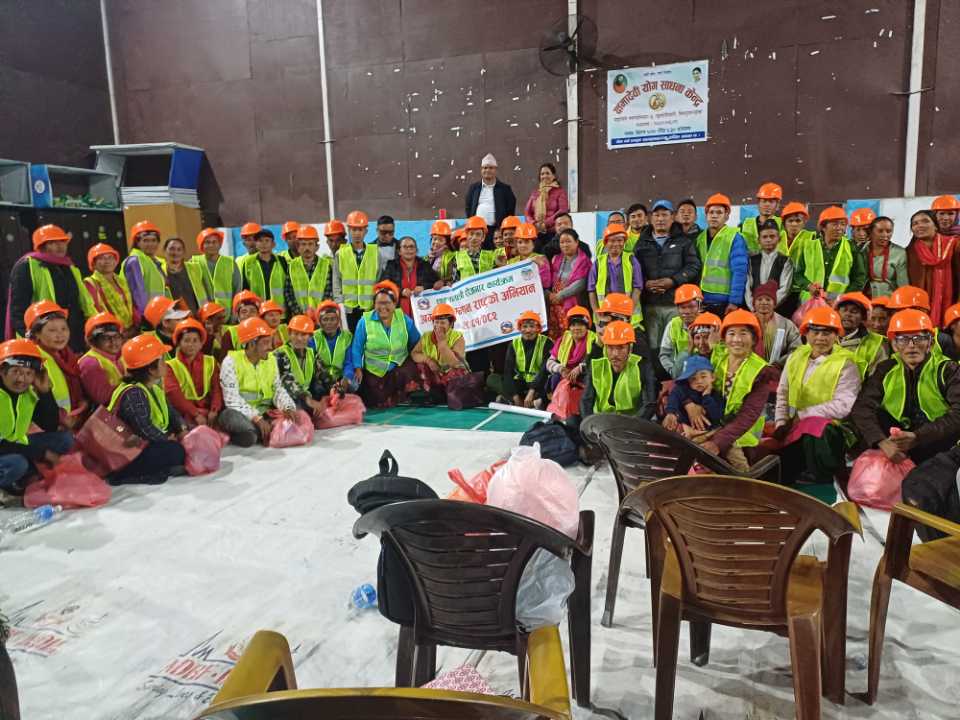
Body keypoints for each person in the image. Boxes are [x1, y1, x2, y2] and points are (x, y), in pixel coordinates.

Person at [851, 309, 960, 466]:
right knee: (871, 419)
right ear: (894, 345)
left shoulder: (948, 370)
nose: (911, 346)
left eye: (919, 338)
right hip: (898, 439)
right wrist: (882, 442)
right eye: (903, 339)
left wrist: (917, 436)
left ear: (931, 344)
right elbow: (862, 407)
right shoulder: (886, 368)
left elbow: (958, 414)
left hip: (936, 440)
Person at [774, 307, 861, 485]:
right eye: (815, 332)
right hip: (795, 426)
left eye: (827, 333)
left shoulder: (846, 363)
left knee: (817, 428)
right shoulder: (795, 357)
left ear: (836, 335)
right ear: (806, 333)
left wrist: (803, 416)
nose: (821, 338)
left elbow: (844, 406)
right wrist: (780, 423)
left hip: (833, 433)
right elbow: (783, 392)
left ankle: (824, 477)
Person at [696, 310, 779, 470]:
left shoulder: (760, 371)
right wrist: (690, 406)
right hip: (714, 425)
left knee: (736, 473)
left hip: (741, 437)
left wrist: (717, 442)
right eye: (731, 333)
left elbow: (748, 415)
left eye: (743, 334)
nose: (737, 339)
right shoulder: (718, 356)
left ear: (754, 339)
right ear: (724, 338)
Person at [0, 339, 75, 506]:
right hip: (5, 449)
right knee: (17, 464)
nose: (22, 379)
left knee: (64, 439)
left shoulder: (26, 394)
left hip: (14, 445)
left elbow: (49, 425)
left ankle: (24, 476)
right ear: (2, 372)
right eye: (16, 371)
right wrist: (43, 453)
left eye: (29, 373)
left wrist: (44, 392)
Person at [107, 334, 186, 484]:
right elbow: (144, 428)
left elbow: (170, 412)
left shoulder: (153, 387)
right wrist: (167, 440)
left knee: (179, 446)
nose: (166, 364)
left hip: (143, 444)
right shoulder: (134, 393)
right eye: (162, 360)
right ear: (151, 369)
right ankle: (128, 475)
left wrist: (182, 429)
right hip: (127, 453)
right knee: (176, 451)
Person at [7, 224, 96, 352]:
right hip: (43, 339)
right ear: (41, 246)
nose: (60, 246)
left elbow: (82, 302)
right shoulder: (27, 266)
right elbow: (18, 310)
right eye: (53, 243)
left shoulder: (70, 266)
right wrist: (30, 337)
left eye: (63, 242)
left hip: (73, 336)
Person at [635, 199, 703, 349]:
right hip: (650, 305)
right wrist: (645, 283)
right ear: (651, 218)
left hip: (675, 304)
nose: (660, 219)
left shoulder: (684, 241)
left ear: (672, 217)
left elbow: (693, 266)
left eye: (664, 215)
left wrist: (673, 281)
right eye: (657, 215)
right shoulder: (641, 243)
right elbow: (635, 270)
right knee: (652, 346)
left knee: (675, 345)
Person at [219, 317, 297, 446]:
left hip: (265, 412)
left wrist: (287, 407)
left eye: (270, 342)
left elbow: (277, 389)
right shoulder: (231, 361)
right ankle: (259, 431)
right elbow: (232, 400)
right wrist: (256, 418)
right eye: (265, 343)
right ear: (252, 344)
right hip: (241, 414)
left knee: (298, 414)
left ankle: (264, 430)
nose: (270, 347)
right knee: (240, 426)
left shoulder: (271, 359)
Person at [343, 281, 422, 408]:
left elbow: (417, 342)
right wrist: (358, 368)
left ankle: (407, 395)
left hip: (399, 368)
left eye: (387, 303)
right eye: (379, 303)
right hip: (375, 372)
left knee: (411, 372)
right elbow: (356, 348)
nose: (383, 307)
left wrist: (419, 358)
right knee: (378, 402)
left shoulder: (404, 319)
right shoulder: (364, 321)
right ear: (374, 304)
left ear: (394, 304)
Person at [578, 321, 657, 423]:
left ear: (630, 349)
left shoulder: (642, 366)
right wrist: (591, 425)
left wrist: (630, 426)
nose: (615, 354)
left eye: (621, 348)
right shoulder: (596, 366)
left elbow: (649, 404)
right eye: (610, 348)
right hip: (601, 423)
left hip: (631, 423)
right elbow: (586, 401)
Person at [23, 301, 87, 428]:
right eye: (52, 330)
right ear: (36, 334)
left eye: (64, 329)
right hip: (51, 427)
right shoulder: (33, 361)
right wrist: (62, 418)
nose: (60, 335)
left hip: (72, 420)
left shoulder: (67, 355)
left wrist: (82, 403)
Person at [795, 206, 867, 303]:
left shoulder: (851, 248)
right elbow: (798, 274)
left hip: (838, 305)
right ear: (823, 227)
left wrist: (842, 298)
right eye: (835, 224)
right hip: (810, 302)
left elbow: (859, 279)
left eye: (843, 224)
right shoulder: (809, 247)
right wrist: (809, 286)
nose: (839, 228)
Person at [695, 193, 749, 316]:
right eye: (711, 212)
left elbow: (740, 272)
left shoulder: (734, 237)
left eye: (719, 212)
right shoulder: (700, 238)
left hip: (725, 302)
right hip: (702, 300)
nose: (714, 216)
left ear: (727, 216)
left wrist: (734, 301)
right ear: (706, 216)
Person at [164, 317, 223, 429]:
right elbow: (174, 395)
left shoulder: (211, 361)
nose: (191, 344)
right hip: (183, 413)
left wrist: (214, 410)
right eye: (186, 340)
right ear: (179, 343)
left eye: (195, 340)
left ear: (201, 344)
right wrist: (195, 414)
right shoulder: (170, 366)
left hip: (208, 410)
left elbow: (217, 388)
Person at [905, 209, 958, 326]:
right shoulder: (909, 252)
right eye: (915, 223)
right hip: (919, 307)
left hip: (952, 306)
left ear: (936, 226)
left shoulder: (954, 245)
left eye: (925, 221)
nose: (920, 225)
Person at [333, 210, 384, 331]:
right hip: (348, 310)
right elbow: (336, 282)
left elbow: (379, 280)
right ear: (349, 230)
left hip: (369, 308)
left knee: (369, 339)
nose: (357, 233)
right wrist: (340, 305)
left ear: (366, 231)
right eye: (354, 229)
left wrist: (377, 303)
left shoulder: (375, 252)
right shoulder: (340, 254)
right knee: (349, 339)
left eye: (360, 229)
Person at [410, 303, 470, 403]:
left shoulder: (458, 337)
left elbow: (455, 363)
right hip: (436, 376)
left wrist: (442, 343)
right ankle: (432, 393)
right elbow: (414, 354)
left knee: (458, 371)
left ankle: (449, 395)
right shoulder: (426, 336)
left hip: (452, 377)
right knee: (420, 365)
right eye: (436, 322)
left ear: (451, 324)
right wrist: (429, 360)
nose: (438, 326)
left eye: (442, 323)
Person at [588, 224, 643, 326]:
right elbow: (591, 291)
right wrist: (598, 315)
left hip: (628, 318)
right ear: (605, 243)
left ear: (624, 242)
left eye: (620, 240)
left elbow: (638, 288)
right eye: (612, 241)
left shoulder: (632, 260)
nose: (616, 244)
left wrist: (629, 312)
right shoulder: (598, 263)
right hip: (605, 317)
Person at [497, 311, 551, 408]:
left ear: (538, 328)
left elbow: (544, 370)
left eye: (532, 326)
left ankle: (535, 401)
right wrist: (515, 396)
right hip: (521, 382)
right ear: (520, 328)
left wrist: (532, 391)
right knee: (494, 379)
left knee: (551, 382)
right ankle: (518, 400)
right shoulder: (514, 344)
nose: (528, 330)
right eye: (524, 326)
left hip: (540, 382)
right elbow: (508, 371)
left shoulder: (547, 342)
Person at [275, 314, 325, 418]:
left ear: (310, 336)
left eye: (303, 335)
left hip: (304, 395)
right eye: (295, 334)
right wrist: (308, 399)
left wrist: (335, 388)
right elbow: (287, 381)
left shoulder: (312, 353)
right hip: (288, 397)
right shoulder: (281, 354)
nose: (299, 338)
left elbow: (323, 374)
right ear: (289, 333)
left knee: (322, 391)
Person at [662, 355, 725, 434]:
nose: (699, 381)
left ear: (712, 377)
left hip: (704, 432)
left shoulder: (716, 396)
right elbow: (674, 396)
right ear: (688, 380)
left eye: (703, 376)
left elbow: (717, 416)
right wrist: (671, 412)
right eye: (693, 378)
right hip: (682, 428)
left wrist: (706, 397)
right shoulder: (683, 389)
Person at [84, 243, 137, 337]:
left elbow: (131, 305)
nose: (107, 261)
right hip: (109, 334)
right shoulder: (90, 283)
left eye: (110, 257)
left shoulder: (121, 281)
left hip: (131, 330)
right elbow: (93, 312)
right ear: (93, 263)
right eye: (101, 258)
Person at [547, 228, 591, 340]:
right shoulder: (555, 259)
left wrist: (561, 295)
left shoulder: (584, 261)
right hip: (555, 304)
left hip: (573, 304)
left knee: (570, 336)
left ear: (577, 242)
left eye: (568, 241)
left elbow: (581, 283)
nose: (565, 245)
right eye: (562, 242)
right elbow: (549, 279)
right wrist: (550, 294)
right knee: (555, 336)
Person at [188, 228, 242, 319]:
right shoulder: (193, 262)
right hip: (203, 316)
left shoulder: (230, 263)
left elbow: (237, 290)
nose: (211, 245)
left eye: (214, 242)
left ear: (220, 244)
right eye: (207, 242)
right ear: (202, 245)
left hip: (226, 315)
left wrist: (235, 315)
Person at [465, 153, 516, 247]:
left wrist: (503, 229)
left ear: (495, 170)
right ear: (481, 170)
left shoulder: (505, 189)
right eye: (485, 168)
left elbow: (510, 210)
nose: (487, 170)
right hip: (477, 231)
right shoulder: (474, 188)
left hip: (497, 232)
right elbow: (468, 207)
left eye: (491, 168)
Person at [380, 235, 440, 317]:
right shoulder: (391, 266)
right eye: (405, 247)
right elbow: (383, 286)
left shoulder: (425, 265)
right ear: (399, 251)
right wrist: (401, 291)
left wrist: (424, 287)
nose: (409, 249)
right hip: (396, 315)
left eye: (411, 247)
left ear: (417, 251)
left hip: (421, 316)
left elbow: (437, 283)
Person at [744, 219, 794, 310]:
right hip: (753, 310)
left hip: (778, 310)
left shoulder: (785, 261)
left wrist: (767, 306)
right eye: (765, 237)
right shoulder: (751, 260)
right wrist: (753, 307)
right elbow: (747, 287)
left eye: (772, 236)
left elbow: (784, 289)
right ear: (759, 240)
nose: (768, 240)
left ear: (779, 239)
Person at [836, 292, 888, 378]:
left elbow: (877, 379)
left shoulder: (875, 345)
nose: (848, 314)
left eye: (854, 311)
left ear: (863, 317)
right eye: (844, 310)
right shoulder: (825, 337)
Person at [545, 306, 595, 395]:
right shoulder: (563, 339)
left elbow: (596, 360)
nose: (577, 328)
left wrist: (580, 368)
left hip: (585, 374)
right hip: (566, 375)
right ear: (569, 327)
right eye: (573, 325)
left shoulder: (594, 339)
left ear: (587, 326)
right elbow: (549, 362)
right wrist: (561, 369)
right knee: (555, 378)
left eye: (581, 324)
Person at [78, 313, 124, 407]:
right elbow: (103, 398)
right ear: (93, 341)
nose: (113, 342)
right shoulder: (89, 363)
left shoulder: (115, 357)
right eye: (106, 338)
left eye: (116, 337)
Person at [122, 220, 168, 316]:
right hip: (146, 315)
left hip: (159, 312)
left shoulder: (157, 261)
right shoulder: (134, 261)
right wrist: (146, 316)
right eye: (145, 240)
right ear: (137, 243)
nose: (150, 244)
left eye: (154, 240)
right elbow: (137, 294)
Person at [751, 281, 801, 369]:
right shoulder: (746, 322)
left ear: (774, 303)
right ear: (754, 303)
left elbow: (797, 349)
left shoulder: (786, 324)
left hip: (778, 370)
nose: (764, 302)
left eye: (768, 299)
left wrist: (779, 363)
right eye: (759, 299)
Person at [242, 227, 290, 317]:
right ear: (256, 244)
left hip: (279, 313)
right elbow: (245, 289)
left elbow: (288, 288)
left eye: (267, 240)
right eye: (260, 241)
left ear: (273, 244)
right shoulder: (248, 262)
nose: (263, 244)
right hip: (258, 313)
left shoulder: (282, 261)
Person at [285, 224, 332, 316]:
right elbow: (288, 293)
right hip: (299, 317)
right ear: (298, 247)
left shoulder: (326, 265)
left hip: (321, 317)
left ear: (317, 247)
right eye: (303, 244)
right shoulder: (292, 266)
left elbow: (329, 292)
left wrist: (320, 312)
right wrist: (300, 313)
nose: (307, 248)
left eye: (310, 244)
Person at [659, 284, 703, 379]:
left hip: (704, 373)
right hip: (682, 373)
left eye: (691, 307)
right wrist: (673, 371)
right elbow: (664, 355)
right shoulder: (673, 325)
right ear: (677, 309)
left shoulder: (708, 323)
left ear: (699, 307)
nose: (687, 311)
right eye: (683, 307)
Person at [863, 215, 908, 299]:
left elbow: (903, 284)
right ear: (871, 231)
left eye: (889, 231)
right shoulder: (862, 250)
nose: (885, 235)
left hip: (889, 300)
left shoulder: (899, 253)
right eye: (880, 231)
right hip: (864, 299)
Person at [524, 163, 569, 243]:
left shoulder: (560, 192)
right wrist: (534, 223)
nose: (544, 176)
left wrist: (545, 223)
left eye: (547, 173)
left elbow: (562, 211)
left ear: (554, 176)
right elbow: (527, 212)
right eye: (542, 174)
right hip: (536, 233)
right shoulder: (535, 193)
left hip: (553, 233)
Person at [313, 300, 353, 388]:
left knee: (353, 385)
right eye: (325, 319)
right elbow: (313, 364)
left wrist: (347, 378)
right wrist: (328, 382)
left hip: (340, 376)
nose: (329, 323)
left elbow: (348, 362)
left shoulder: (347, 337)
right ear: (320, 322)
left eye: (333, 319)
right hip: (321, 377)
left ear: (338, 320)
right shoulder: (314, 337)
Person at [739, 182, 783, 254]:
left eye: (771, 201)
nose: (767, 204)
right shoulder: (746, 224)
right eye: (764, 201)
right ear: (758, 204)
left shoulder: (782, 225)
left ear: (777, 205)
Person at [510, 222, 552, 294]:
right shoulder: (512, 262)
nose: (523, 245)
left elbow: (546, 284)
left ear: (533, 244)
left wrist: (542, 266)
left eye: (527, 242)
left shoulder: (541, 258)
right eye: (520, 242)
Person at [451, 216, 496, 281]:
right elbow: (456, 282)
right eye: (471, 234)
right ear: (467, 236)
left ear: (483, 237)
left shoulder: (492, 256)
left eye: (478, 234)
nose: (474, 237)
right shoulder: (457, 258)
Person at [162, 237, 199, 315]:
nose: (175, 253)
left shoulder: (195, 268)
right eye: (172, 249)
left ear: (183, 253)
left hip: (196, 316)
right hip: (173, 318)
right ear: (164, 251)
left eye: (179, 249)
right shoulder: (160, 271)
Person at [778, 201, 815, 269]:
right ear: (784, 223)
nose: (794, 224)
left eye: (798, 221)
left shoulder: (812, 238)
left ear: (804, 223)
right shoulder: (777, 238)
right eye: (790, 221)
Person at [427, 220, 456, 284]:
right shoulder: (427, 257)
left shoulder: (451, 257)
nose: (436, 242)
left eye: (440, 240)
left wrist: (442, 282)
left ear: (446, 242)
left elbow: (452, 277)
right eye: (435, 239)